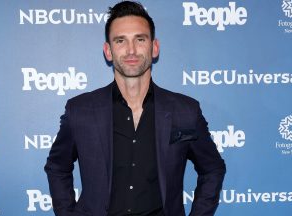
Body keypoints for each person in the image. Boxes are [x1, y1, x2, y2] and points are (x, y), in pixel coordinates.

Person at [44, 1, 226, 216]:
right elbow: (57, 167)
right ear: (108, 51)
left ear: (154, 47)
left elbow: (212, 168)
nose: (131, 50)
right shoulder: (80, 110)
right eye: (120, 41)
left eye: (140, 39)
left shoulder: (185, 111)